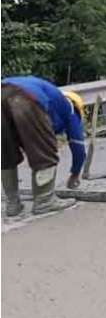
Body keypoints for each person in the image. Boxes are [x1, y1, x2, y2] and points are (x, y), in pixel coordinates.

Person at [1, 77, 84, 216]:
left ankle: (12, 204)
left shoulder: (52, 98)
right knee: (44, 151)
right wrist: (75, 174)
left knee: (5, 152)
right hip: (25, 97)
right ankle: (44, 201)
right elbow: (78, 146)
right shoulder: (70, 110)